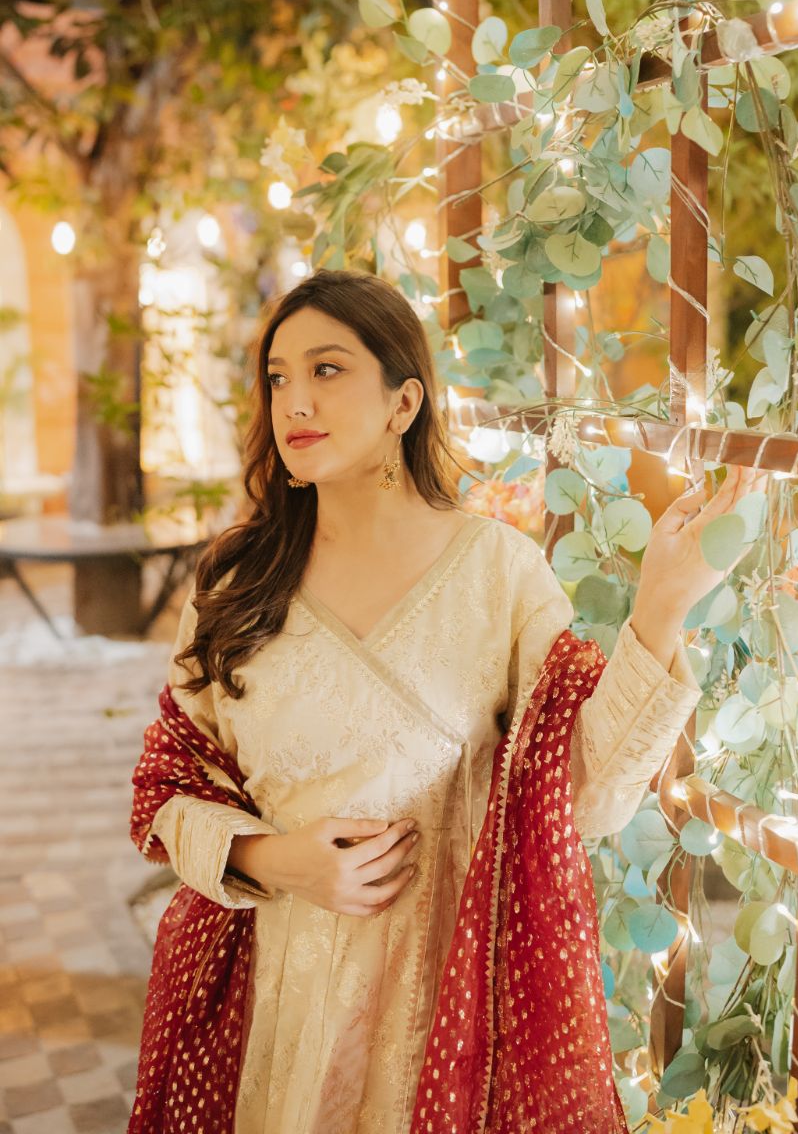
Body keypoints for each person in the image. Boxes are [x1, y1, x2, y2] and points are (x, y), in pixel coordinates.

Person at [130, 268, 763, 1133]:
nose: (293, 402)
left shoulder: (496, 573)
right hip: (275, 1008)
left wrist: (659, 608)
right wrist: (274, 861)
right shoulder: (237, 584)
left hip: (442, 1018)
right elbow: (169, 791)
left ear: (404, 403)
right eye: (277, 377)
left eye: (326, 369)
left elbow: (585, 797)